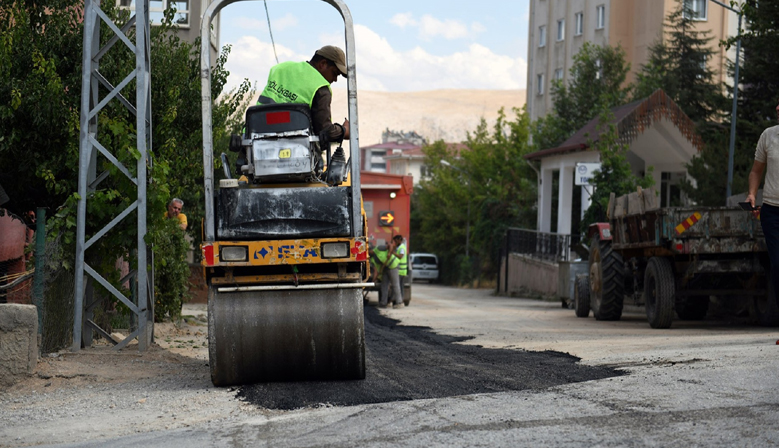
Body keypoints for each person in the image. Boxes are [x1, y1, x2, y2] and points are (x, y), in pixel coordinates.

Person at [257, 45, 350, 145]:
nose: (335, 79)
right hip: (292, 147)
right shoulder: (321, 88)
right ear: (323, 64)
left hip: (255, 139)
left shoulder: (281, 68)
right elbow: (325, 131)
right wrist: (344, 130)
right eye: (335, 73)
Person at [746, 99, 779, 313]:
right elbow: (756, 171)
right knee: (777, 265)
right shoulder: (768, 136)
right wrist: (752, 193)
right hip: (772, 211)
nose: (777, 108)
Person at [373, 243, 401, 308]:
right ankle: (383, 303)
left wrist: (389, 253)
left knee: (395, 285)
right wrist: (375, 279)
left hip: (393, 266)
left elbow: (390, 245)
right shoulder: (373, 258)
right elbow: (377, 270)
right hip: (386, 268)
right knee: (384, 285)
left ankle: (399, 302)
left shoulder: (379, 248)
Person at [391, 235, 408, 306]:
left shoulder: (402, 248)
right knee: (399, 286)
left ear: (399, 240)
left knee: (399, 286)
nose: (395, 242)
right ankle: (398, 300)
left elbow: (400, 256)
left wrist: (393, 253)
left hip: (401, 270)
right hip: (400, 270)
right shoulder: (399, 247)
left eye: (395, 241)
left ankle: (400, 301)